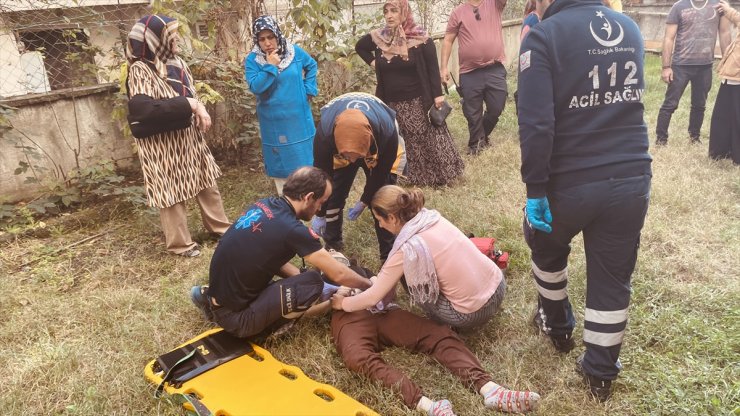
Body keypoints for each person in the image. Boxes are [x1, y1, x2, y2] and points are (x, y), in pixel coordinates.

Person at [517, 0, 652, 402]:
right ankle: (600, 376)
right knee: (613, 276)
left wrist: (535, 190)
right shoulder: (629, 28)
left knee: (545, 244)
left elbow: (536, 123)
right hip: (630, 176)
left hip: (568, 181)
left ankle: (557, 328)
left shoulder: (541, 36)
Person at [190, 167, 372, 339]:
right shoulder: (293, 230)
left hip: (221, 297)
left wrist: (300, 276)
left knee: (304, 278)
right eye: (321, 202)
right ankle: (266, 331)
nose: (319, 210)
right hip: (237, 320)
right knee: (313, 282)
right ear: (309, 197)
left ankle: (208, 299)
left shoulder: (264, 205)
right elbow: (338, 273)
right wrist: (369, 286)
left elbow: (269, 259)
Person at [332, 185, 506, 332]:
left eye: (379, 220)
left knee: (407, 272)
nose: (380, 225)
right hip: (499, 285)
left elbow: (373, 297)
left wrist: (343, 303)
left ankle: (448, 323)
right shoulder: (431, 217)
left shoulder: (408, 248)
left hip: (471, 314)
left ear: (391, 217)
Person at [126, 15, 230, 257]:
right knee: (171, 191)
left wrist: (197, 106)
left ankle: (221, 228)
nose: (176, 39)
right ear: (155, 39)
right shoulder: (141, 69)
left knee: (206, 181)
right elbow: (144, 109)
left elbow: (190, 98)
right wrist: (190, 104)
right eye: (170, 34)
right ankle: (180, 245)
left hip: (188, 137)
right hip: (162, 144)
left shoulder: (178, 64)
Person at [330, 305, 541, 415]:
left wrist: (364, 283)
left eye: (335, 254)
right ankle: (431, 407)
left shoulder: (359, 270)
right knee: (357, 358)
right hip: (348, 317)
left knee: (436, 333)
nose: (331, 255)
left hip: (380, 309)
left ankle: (490, 390)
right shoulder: (316, 278)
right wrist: (332, 298)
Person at [355, 0, 464, 187]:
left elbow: (431, 69)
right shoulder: (380, 37)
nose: (389, 15)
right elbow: (360, 47)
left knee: (424, 138)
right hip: (390, 102)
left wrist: (438, 95)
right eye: (386, 11)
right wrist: (375, 63)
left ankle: (438, 177)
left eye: (394, 11)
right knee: (400, 141)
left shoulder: (421, 39)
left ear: (404, 12)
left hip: (417, 100)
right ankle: (410, 177)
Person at [312, 92, 407, 261]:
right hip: (340, 140)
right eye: (349, 156)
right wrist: (320, 214)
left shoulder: (387, 132)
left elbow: (380, 173)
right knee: (334, 192)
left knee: (382, 199)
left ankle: (389, 253)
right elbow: (323, 178)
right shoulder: (325, 135)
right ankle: (333, 244)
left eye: (358, 156)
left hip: (378, 140)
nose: (354, 161)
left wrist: (365, 200)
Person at [245, 15, 318, 194]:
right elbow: (256, 87)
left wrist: (309, 89)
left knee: (306, 161)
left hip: (299, 119)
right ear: (257, 41)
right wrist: (270, 67)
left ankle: (311, 200)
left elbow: (312, 65)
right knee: (282, 166)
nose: (267, 43)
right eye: (262, 39)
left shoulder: (295, 53)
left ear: (278, 35)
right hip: (274, 123)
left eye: (271, 37)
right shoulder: (253, 61)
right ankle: (288, 203)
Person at [655, 0, 731, 145]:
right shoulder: (679, 6)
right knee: (670, 104)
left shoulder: (719, 6)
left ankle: (694, 138)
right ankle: (661, 139)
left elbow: (725, 33)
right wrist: (666, 66)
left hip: (705, 66)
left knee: (699, 105)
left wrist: (727, 62)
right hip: (680, 66)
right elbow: (669, 38)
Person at [441, 0, 508, 155]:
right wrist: (443, 67)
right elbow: (448, 40)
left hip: (495, 68)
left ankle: (481, 135)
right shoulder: (458, 12)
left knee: (497, 107)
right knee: (473, 112)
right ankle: (476, 145)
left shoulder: (495, 4)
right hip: (469, 72)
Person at [709, 0, 740, 164]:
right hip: (732, 77)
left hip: (736, 76)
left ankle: (729, 152)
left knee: (731, 117)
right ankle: (724, 151)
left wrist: (728, 10)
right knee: (726, 116)